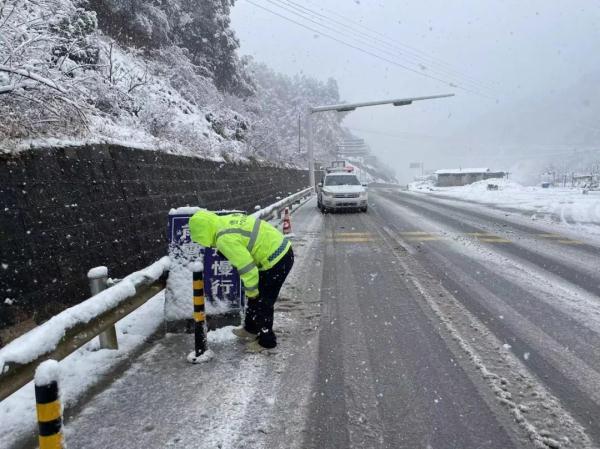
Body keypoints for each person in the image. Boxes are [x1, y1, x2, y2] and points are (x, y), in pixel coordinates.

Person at [189, 210, 294, 352]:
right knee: (254, 294)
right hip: (277, 249)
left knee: (263, 300)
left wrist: (252, 291)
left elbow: (247, 268)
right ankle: (250, 329)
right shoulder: (221, 222)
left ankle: (267, 341)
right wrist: (251, 291)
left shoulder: (224, 239)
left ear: (203, 234)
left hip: (277, 260)